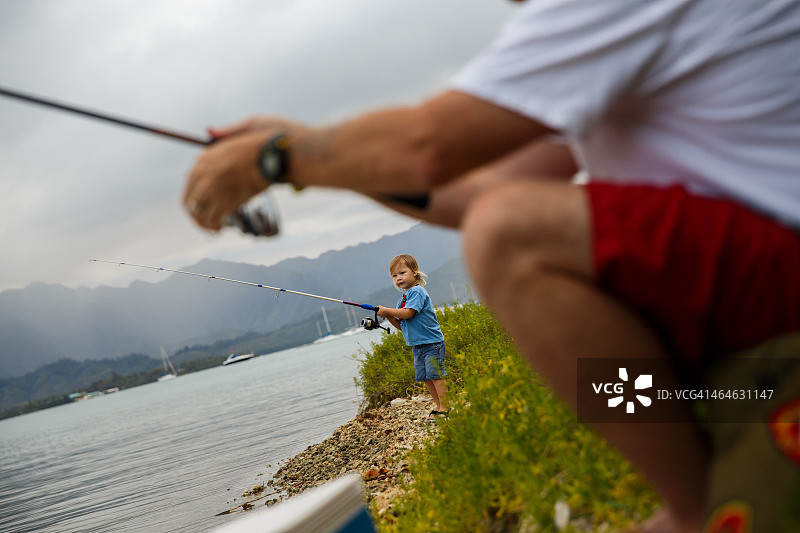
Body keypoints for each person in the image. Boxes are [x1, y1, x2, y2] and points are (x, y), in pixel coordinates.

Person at [183, 1, 800, 531]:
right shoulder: (606, 44)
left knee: (510, 233)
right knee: (501, 220)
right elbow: (470, 191)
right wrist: (312, 153)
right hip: (756, 277)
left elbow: (428, 149)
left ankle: (691, 504)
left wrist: (280, 159)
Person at [376, 254, 449, 422]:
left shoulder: (417, 292)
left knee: (436, 376)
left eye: (402, 273)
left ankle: (445, 408)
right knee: (426, 378)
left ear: (415, 272)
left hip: (432, 343)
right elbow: (402, 325)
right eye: (394, 276)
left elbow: (408, 314)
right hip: (418, 345)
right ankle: (438, 406)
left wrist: (387, 310)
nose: (398, 278)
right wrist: (389, 317)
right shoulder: (403, 299)